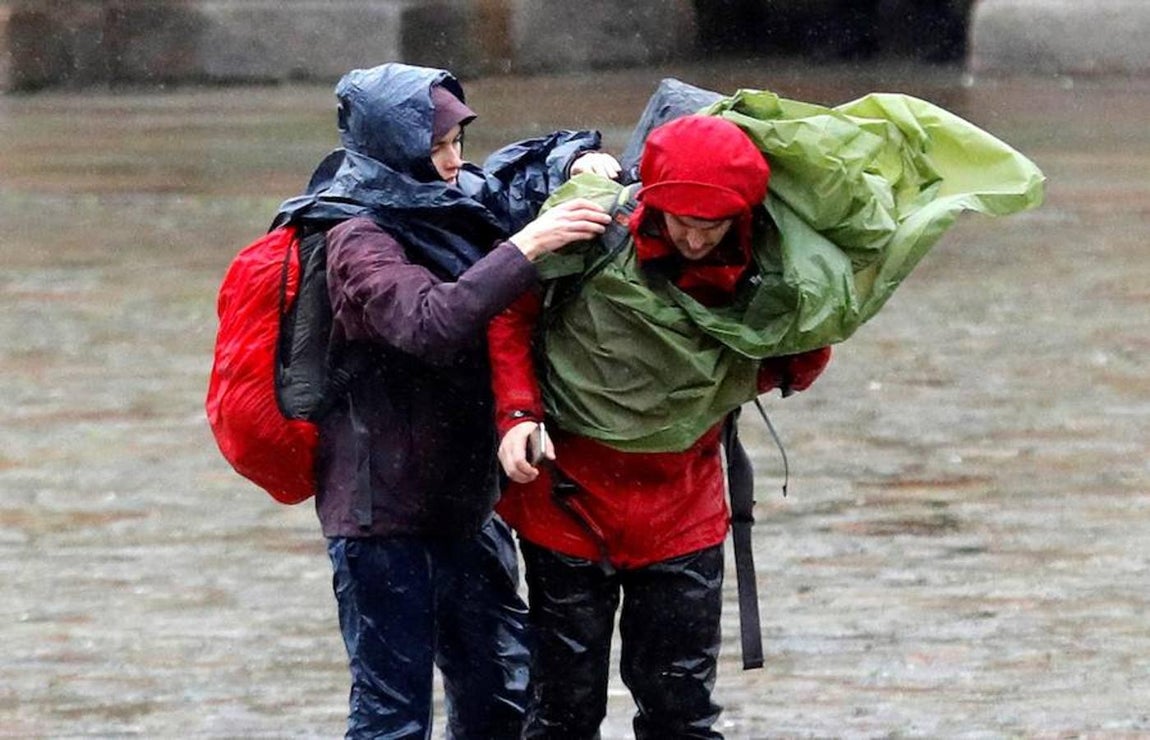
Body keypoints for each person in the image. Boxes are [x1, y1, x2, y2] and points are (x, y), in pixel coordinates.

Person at [276, 63, 616, 739]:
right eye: (438, 146)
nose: (454, 161)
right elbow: (426, 322)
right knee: (391, 716)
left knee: (500, 697)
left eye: (458, 141)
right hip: (380, 518)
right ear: (392, 145)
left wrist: (584, 159)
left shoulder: (457, 193)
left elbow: (521, 171)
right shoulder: (352, 236)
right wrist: (527, 246)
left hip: (466, 503)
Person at [487, 114, 832, 738]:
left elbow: (801, 358)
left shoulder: (772, 268)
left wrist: (703, 382)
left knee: (680, 707)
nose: (697, 241)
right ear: (653, 204)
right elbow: (508, 311)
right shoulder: (591, 231)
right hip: (567, 498)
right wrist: (517, 413)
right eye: (683, 224)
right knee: (564, 706)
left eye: (714, 227)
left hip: (683, 506)